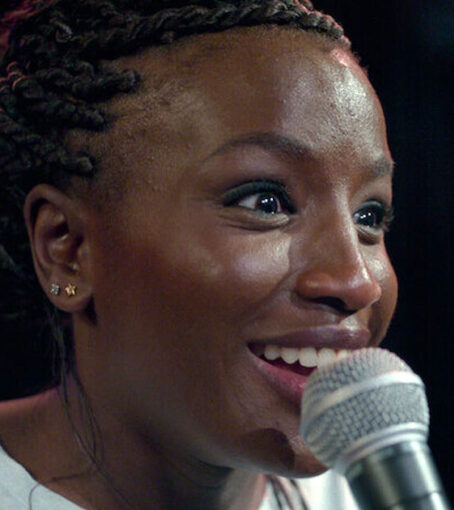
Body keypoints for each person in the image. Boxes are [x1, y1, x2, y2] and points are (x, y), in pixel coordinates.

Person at [0, 1, 398, 508]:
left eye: (369, 216)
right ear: (67, 248)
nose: (357, 282)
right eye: (266, 203)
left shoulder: (366, 493)